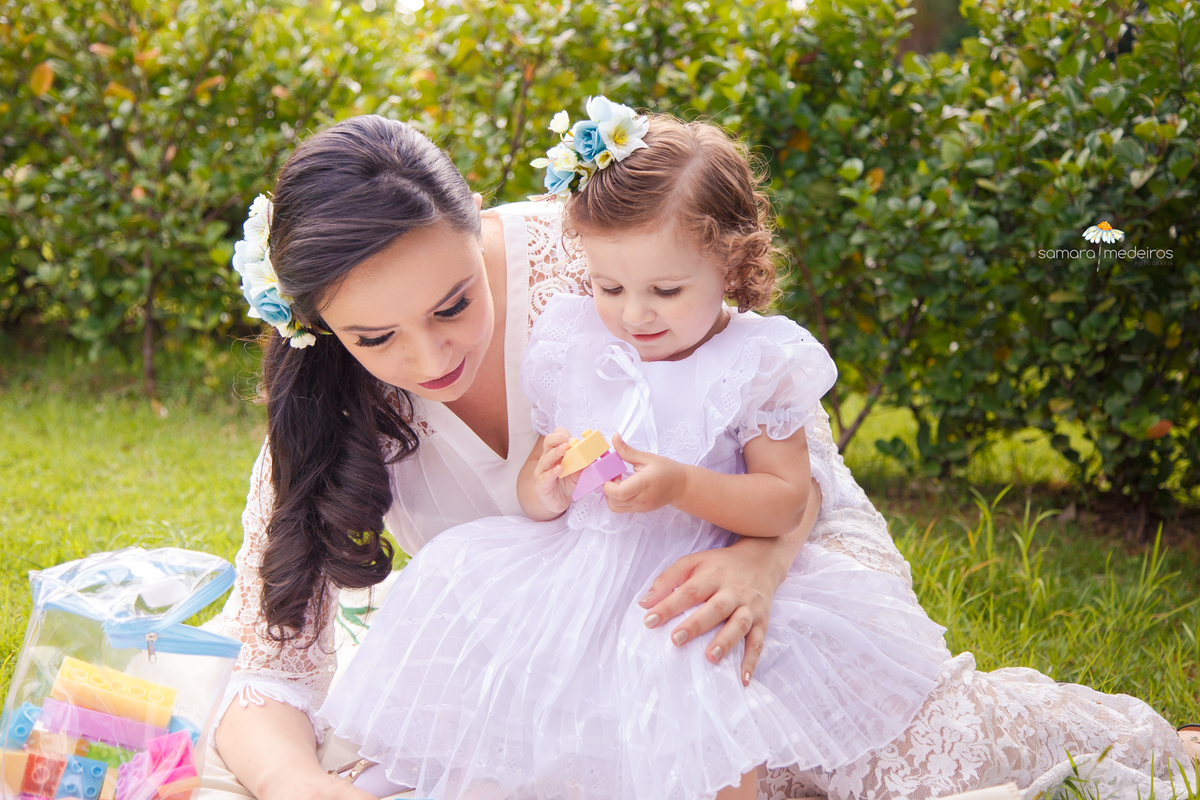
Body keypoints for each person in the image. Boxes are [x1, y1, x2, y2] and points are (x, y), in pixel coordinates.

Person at [202, 112, 1195, 800]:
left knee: (910, 764)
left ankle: (1147, 741)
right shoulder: (322, 415)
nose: (433, 357)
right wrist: (304, 786)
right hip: (582, 642)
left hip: (772, 551)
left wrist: (758, 558)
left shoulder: (587, 261)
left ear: (479, 230)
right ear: (320, 325)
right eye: (376, 337)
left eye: (456, 301)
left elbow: (773, 437)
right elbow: (267, 677)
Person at [315, 104, 950, 800]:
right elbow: (536, 493)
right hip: (578, 571)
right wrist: (549, 484)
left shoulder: (759, 361)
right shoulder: (580, 337)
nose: (635, 313)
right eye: (610, 287)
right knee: (463, 587)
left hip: (681, 573)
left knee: (685, 667)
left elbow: (785, 500)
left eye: (665, 291)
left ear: (731, 265)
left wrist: (679, 484)